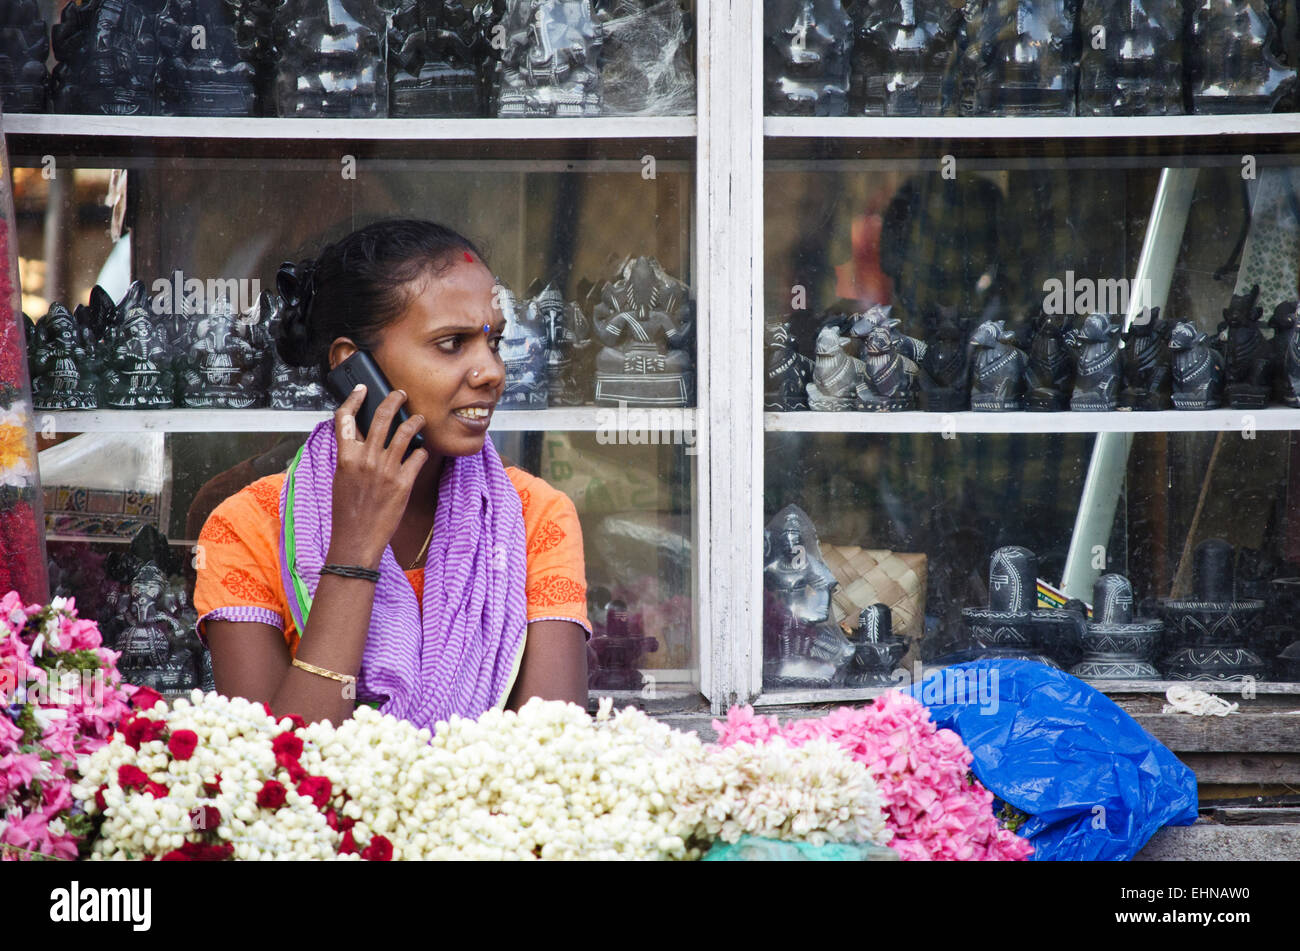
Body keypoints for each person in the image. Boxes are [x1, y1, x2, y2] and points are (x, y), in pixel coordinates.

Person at [193, 219, 590, 730]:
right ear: (353, 366)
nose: (491, 371)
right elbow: (281, 770)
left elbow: (551, 751)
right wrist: (355, 550)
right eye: (452, 343)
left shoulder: (535, 517)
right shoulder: (246, 528)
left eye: (494, 341)